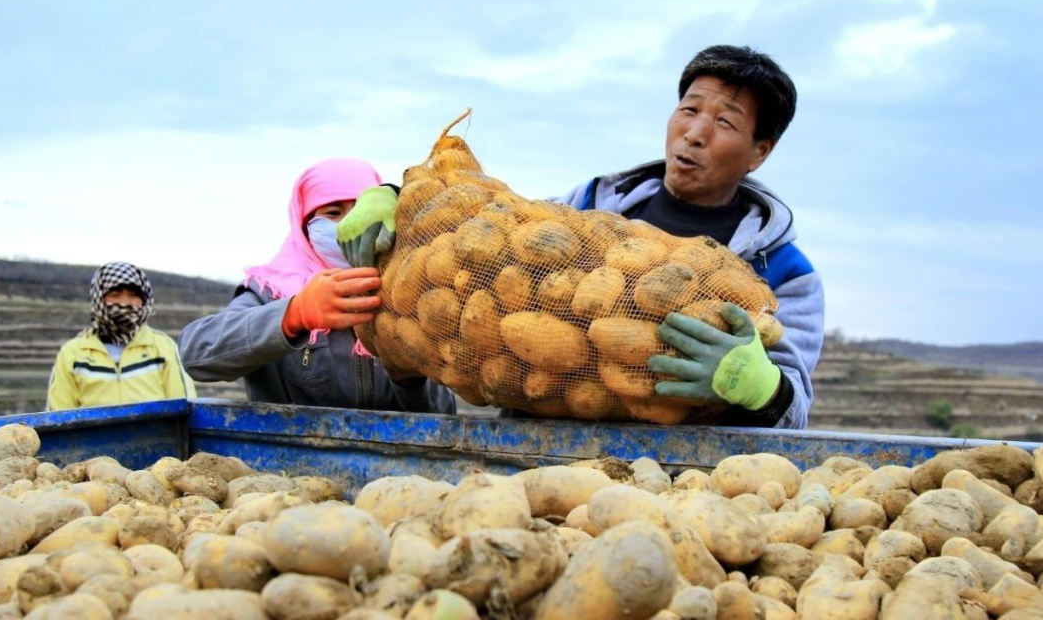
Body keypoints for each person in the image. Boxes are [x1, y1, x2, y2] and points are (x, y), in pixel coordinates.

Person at [339, 45, 822, 429]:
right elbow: (488, 231)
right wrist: (401, 195)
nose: (694, 133)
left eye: (724, 122)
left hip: (686, 474)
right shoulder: (587, 205)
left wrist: (762, 389)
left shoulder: (783, 272)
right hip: (537, 447)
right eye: (689, 109)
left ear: (760, 151)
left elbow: (793, 412)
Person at [178, 158, 455, 414]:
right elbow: (197, 353)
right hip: (289, 463)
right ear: (304, 225)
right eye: (333, 212)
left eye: (361, 213)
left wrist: (408, 380)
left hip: (397, 464)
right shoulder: (269, 291)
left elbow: (443, 414)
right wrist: (294, 314)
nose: (349, 225)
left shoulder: (405, 296)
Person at [47, 262, 196, 410]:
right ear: (99, 298)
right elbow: (58, 416)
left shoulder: (163, 347)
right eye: (115, 295)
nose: (124, 303)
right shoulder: (72, 353)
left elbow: (185, 408)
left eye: (132, 296)